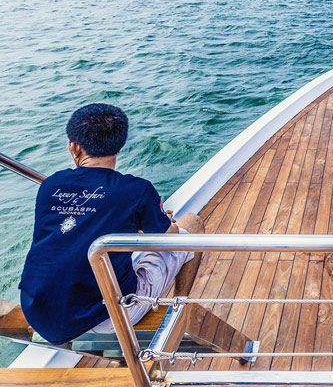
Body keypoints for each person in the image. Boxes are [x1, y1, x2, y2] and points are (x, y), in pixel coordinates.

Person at [19, 103, 204, 345]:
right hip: (106, 314)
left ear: (74, 147)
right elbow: (169, 236)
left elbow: (80, 226)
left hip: (38, 311)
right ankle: (180, 310)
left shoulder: (50, 186)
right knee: (192, 224)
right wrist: (163, 222)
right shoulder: (135, 190)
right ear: (119, 145)